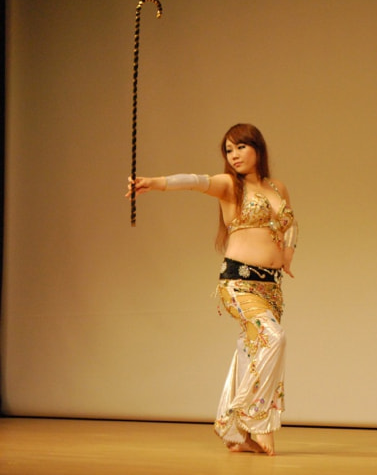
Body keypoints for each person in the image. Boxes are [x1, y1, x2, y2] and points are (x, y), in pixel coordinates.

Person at [126, 123, 298, 456]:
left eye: (240, 147)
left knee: (251, 350)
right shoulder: (229, 186)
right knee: (274, 338)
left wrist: (288, 253)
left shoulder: (278, 188)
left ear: (257, 148)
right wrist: (155, 183)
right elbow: (195, 181)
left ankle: (235, 433)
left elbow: (292, 224)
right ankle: (253, 419)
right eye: (228, 150)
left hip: (271, 287)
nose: (234, 155)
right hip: (238, 283)